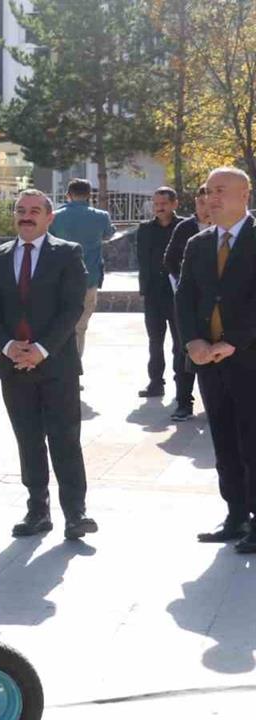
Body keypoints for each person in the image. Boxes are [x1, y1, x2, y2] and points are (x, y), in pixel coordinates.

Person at [0, 189, 97, 540]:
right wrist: (7, 345)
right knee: (28, 440)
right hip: (13, 365)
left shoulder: (67, 253)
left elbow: (71, 307)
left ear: (50, 217)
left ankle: (76, 513)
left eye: (34, 210)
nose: (26, 216)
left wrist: (42, 349)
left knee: (65, 439)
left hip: (57, 364)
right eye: (20, 210)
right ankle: (37, 510)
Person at [176, 167, 256, 553]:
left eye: (221, 190)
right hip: (208, 361)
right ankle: (236, 514)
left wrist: (235, 342)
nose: (212, 197)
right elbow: (185, 297)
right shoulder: (199, 243)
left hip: (249, 358)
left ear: (246, 195)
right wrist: (192, 341)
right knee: (223, 439)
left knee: (252, 441)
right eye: (208, 190)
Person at [49, 178, 114, 358]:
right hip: (89, 279)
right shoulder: (101, 217)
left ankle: (58, 369)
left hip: (58, 280)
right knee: (80, 327)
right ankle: (75, 372)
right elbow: (108, 234)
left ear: (67, 195)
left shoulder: (54, 216)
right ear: (89, 195)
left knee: (58, 326)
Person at [133, 187, 184, 402]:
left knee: (180, 343)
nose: (159, 208)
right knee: (155, 341)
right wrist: (144, 288)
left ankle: (182, 386)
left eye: (163, 203)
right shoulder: (145, 229)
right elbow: (143, 260)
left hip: (178, 293)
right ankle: (155, 383)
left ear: (174, 204)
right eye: (155, 204)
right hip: (154, 294)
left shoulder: (184, 227)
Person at [162, 185, 208, 421]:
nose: (206, 207)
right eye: (201, 202)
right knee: (184, 350)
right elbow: (169, 259)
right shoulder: (185, 228)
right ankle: (183, 402)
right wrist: (183, 282)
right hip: (188, 302)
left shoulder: (230, 228)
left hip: (220, 305)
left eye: (209, 201)